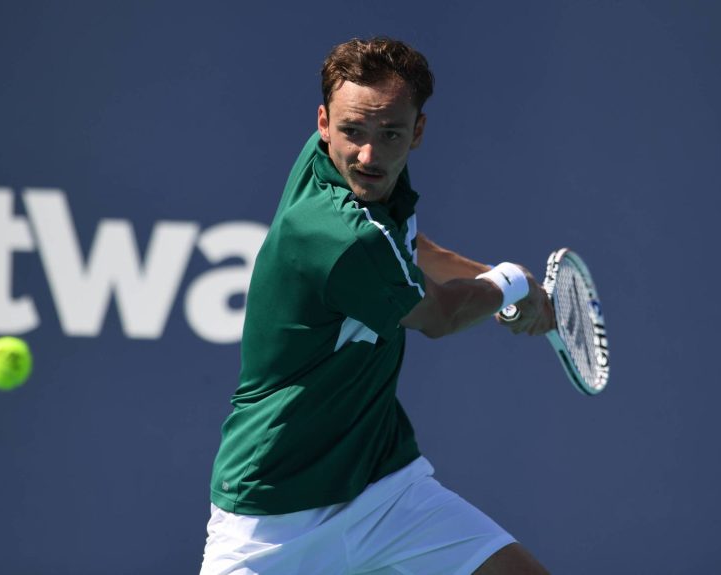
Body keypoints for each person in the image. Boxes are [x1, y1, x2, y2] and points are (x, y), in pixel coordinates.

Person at [200, 37, 554, 575]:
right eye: (353, 132)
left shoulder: (359, 172)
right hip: (273, 514)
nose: (368, 154)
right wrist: (512, 282)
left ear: (417, 131)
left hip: (383, 485)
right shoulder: (339, 234)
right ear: (324, 122)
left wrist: (490, 278)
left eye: (389, 133)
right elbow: (439, 316)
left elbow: (407, 245)